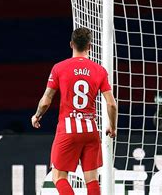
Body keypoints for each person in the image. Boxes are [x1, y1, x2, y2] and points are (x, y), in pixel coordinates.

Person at [31, 27, 118, 195]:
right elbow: (112, 104)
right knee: (92, 180)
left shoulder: (59, 68)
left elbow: (46, 100)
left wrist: (37, 116)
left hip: (68, 130)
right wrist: (112, 127)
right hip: (90, 130)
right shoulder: (99, 70)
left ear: (71, 44)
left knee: (59, 177)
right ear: (90, 47)